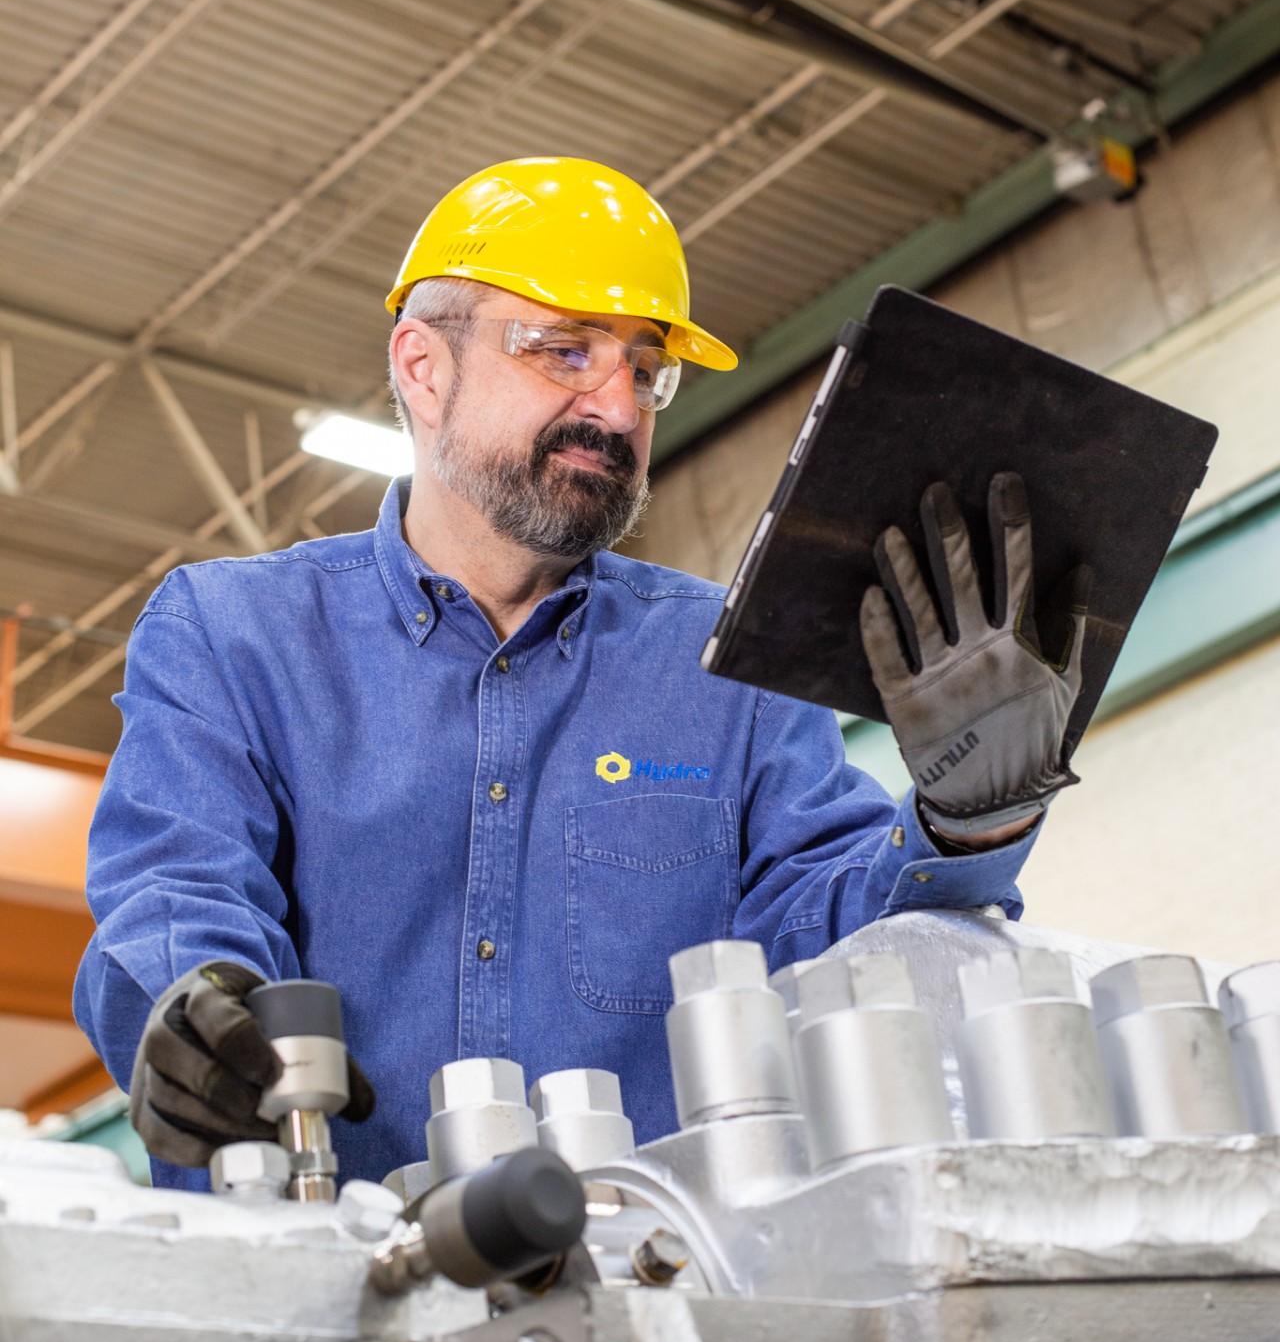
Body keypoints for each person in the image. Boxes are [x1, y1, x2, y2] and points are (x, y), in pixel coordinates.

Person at [74, 157, 1087, 1190]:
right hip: (322, 1266)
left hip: (647, 1280)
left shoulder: (720, 666)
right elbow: (177, 887)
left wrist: (968, 821)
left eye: (644, 371)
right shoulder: (234, 631)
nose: (616, 409)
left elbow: (827, 946)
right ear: (423, 369)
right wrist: (192, 1005)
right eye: (563, 352)